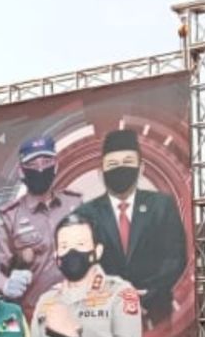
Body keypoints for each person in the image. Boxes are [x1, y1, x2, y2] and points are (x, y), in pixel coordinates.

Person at [73, 129, 187, 323]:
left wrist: (147, 294)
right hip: (103, 314)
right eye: (113, 164)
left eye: (127, 162)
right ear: (101, 173)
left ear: (141, 168)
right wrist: (117, 296)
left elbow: (175, 257)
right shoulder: (85, 213)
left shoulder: (161, 205)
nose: (120, 169)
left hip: (156, 311)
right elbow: (81, 264)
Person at [31, 213, 143, 337]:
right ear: (56, 256)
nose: (72, 252)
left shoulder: (119, 293)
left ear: (97, 251)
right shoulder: (46, 302)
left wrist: (77, 333)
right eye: (64, 246)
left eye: (81, 244)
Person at [0, 136, 83, 315]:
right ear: (21, 171)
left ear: (56, 165)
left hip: (79, 308)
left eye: (46, 161)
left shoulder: (76, 204)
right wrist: (6, 286)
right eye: (33, 164)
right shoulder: (9, 217)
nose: (41, 168)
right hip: (34, 314)